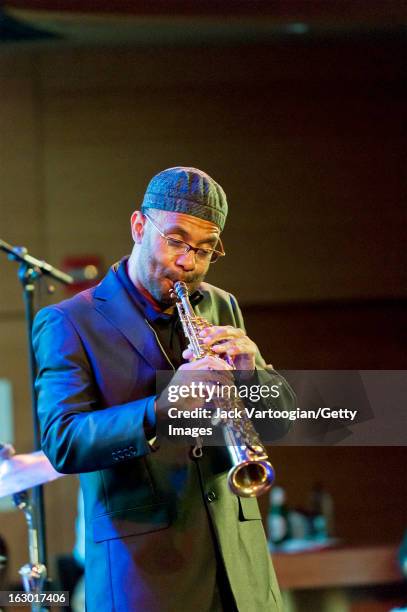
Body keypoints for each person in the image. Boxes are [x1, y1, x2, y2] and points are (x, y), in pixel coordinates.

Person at [33, 167, 296, 612]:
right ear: (139, 226)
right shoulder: (70, 321)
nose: (188, 263)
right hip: (145, 580)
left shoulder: (220, 303)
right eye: (176, 241)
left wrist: (252, 374)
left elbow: (281, 423)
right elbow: (63, 440)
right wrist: (162, 408)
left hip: (241, 572)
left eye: (205, 250)